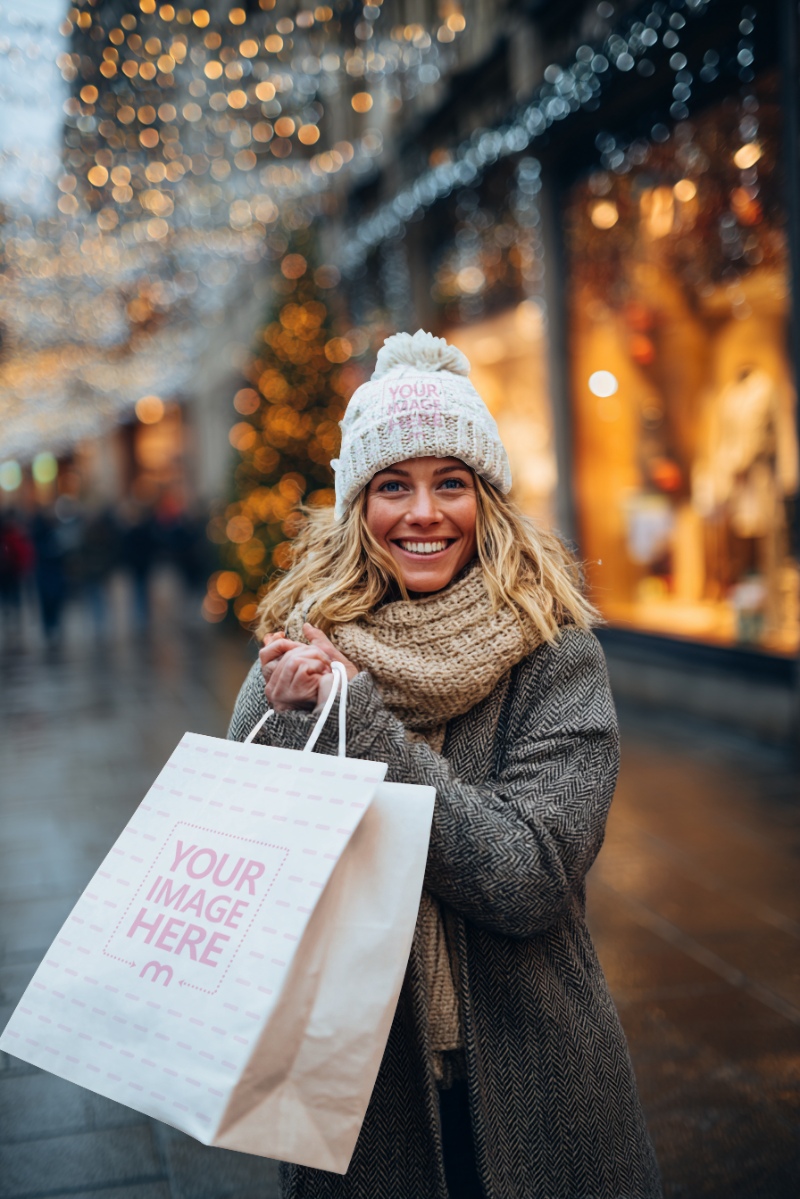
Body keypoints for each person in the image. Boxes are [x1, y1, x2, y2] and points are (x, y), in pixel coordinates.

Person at [227, 331, 662, 1199]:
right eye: (393, 485)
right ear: (360, 505)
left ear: (487, 501)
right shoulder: (301, 654)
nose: (422, 513)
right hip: (358, 1095)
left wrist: (363, 726)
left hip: (538, 1075)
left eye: (450, 483)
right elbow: (253, 863)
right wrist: (283, 719)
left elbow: (527, 874)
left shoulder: (555, 655)